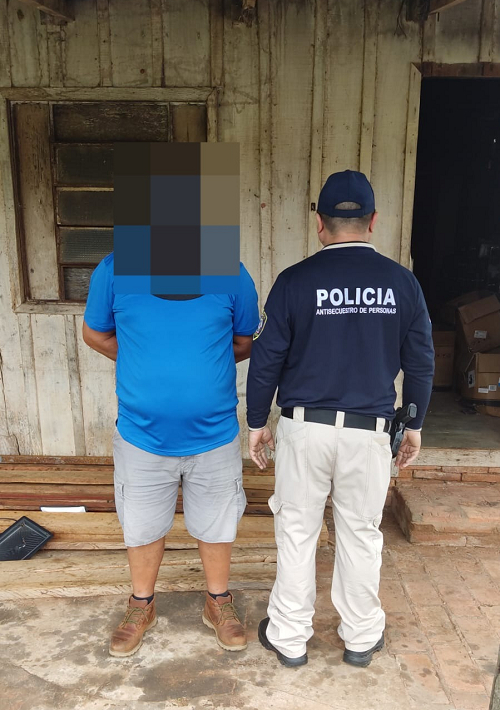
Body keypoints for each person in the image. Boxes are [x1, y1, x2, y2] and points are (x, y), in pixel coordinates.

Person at [246, 170, 434, 669]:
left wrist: (256, 422)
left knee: (297, 532)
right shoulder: (403, 284)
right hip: (368, 433)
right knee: (361, 533)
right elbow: (420, 362)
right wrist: (412, 423)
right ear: (372, 221)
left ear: (319, 224)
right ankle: (360, 637)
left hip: (305, 430)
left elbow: (267, 360)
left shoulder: (294, 281)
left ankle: (288, 638)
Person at [83, 254, 259, 657]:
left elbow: (243, 340)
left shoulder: (230, 270)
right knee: (142, 524)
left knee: (217, 521)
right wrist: (138, 360)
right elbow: (95, 333)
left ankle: (218, 602)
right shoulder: (115, 269)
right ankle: (141, 606)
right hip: (141, 434)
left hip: (213, 433)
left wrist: (201, 364)